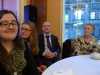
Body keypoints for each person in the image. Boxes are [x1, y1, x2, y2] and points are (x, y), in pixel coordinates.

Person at [0, 10, 39, 75]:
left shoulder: (23, 45)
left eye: (14, 23)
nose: (11, 27)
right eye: (5, 24)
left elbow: (33, 71)